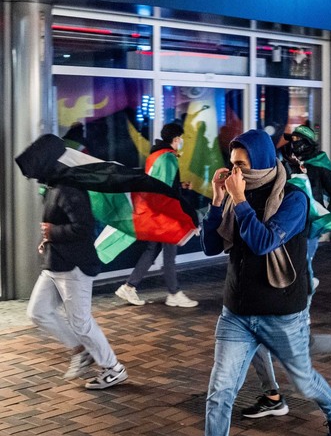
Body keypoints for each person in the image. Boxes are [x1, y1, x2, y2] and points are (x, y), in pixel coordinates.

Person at [180, 129, 331, 436]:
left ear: (259, 162)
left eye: (241, 165)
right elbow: (211, 246)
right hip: (237, 312)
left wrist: (239, 201)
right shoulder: (234, 196)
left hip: (281, 311)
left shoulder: (293, 199)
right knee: (220, 392)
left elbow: (262, 242)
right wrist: (218, 199)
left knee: (303, 382)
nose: (234, 171)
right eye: (231, 164)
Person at [18, 138, 128, 390]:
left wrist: (52, 233)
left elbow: (84, 228)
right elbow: (57, 225)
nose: (31, 176)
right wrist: (49, 238)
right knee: (38, 311)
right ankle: (81, 350)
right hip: (56, 262)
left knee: (81, 322)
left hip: (75, 266)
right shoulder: (54, 184)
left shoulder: (68, 187)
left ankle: (114, 368)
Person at [115, 123, 198, 308]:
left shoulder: (155, 155)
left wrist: (180, 185)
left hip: (153, 211)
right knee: (169, 253)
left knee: (152, 250)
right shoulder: (168, 158)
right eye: (181, 138)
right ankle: (174, 293)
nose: (182, 141)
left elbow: (160, 182)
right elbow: (166, 191)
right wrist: (182, 212)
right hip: (164, 213)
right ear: (176, 138)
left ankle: (129, 286)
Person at [283, 125, 331, 285]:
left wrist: (325, 219)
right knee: (292, 262)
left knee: (303, 262)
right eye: (292, 140)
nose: (293, 143)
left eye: (296, 140)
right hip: (290, 221)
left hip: (310, 224)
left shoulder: (319, 166)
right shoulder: (289, 162)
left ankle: (305, 296)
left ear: (307, 142)